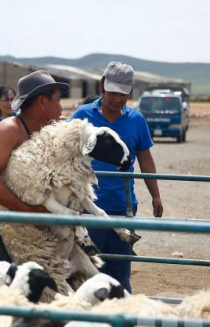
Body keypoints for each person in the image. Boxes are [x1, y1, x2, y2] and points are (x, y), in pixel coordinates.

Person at [0, 71, 69, 267]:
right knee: (6, 284)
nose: (61, 107)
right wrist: (29, 212)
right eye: (58, 100)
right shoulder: (9, 129)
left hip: (15, 217)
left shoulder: (43, 133)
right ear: (42, 102)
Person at [70, 61, 163, 292]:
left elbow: (146, 159)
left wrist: (156, 195)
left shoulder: (136, 120)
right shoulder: (83, 116)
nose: (117, 99)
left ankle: (121, 321)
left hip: (123, 208)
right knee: (88, 270)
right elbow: (64, 152)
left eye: (123, 94)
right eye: (112, 92)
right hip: (88, 208)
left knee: (120, 272)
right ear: (102, 86)